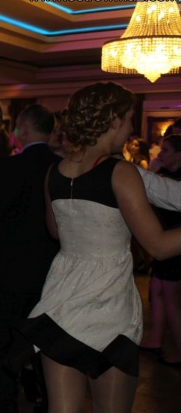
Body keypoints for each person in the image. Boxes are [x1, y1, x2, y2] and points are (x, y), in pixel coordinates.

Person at [10, 82, 181, 413]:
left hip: (62, 300)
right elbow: (158, 246)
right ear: (113, 121)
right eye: (129, 119)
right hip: (108, 304)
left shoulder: (54, 171)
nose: (130, 129)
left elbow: (56, 231)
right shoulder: (121, 171)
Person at [0, 104, 61, 413]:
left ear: (24, 130)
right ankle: (47, 399)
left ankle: (5, 404)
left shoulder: (9, 167)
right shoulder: (61, 166)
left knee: (3, 340)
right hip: (50, 270)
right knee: (45, 341)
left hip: (9, 269)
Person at [140, 134, 181, 366]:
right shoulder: (162, 174)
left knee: (171, 297)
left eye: (166, 150)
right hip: (166, 242)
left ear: (179, 155)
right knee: (156, 289)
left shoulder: (174, 181)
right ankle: (156, 339)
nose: (160, 154)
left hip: (174, 247)